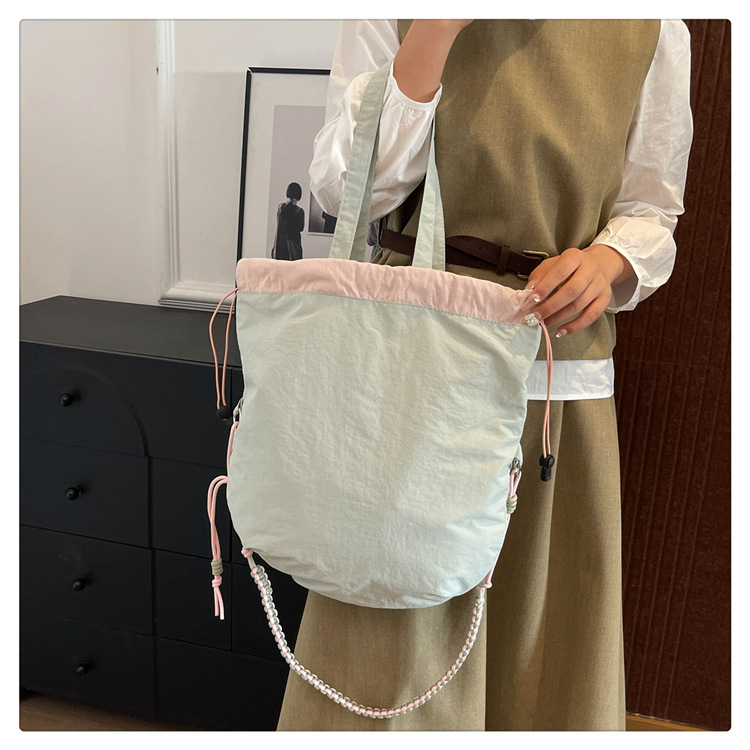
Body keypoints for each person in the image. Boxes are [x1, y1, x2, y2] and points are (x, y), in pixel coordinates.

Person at [277, 19, 693, 731]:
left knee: (543, 646)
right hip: (415, 367)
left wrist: (606, 264)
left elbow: (651, 209)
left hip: (558, 374)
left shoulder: (651, 24)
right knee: (392, 645)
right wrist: (435, 31)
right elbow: (346, 191)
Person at [271, 181, 305, 260]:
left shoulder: (281, 208)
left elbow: (284, 224)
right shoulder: (298, 211)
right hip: (292, 248)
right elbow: (300, 228)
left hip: (281, 246)